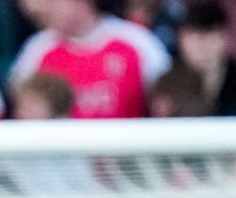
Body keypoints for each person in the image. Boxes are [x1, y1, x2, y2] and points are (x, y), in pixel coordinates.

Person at [9, 0, 171, 118]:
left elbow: (167, 101)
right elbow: (22, 111)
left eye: (52, 2)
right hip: (62, 159)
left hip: (127, 157)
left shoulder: (138, 41)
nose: (43, 9)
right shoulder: (37, 49)